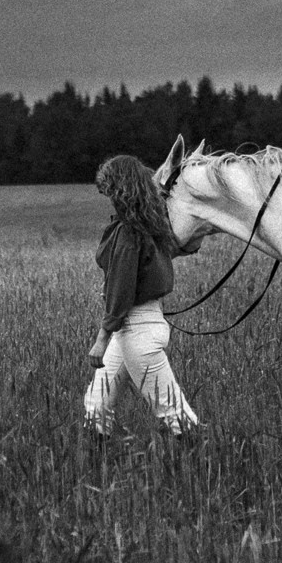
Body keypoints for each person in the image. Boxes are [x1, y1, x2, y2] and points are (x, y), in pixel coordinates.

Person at [83, 153, 200, 436]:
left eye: (109, 190)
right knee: (96, 405)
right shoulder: (150, 226)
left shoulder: (128, 233)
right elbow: (179, 248)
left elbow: (120, 290)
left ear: (120, 190)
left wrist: (101, 339)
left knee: (174, 412)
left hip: (136, 331)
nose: (108, 197)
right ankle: (97, 462)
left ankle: (207, 467)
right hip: (136, 329)